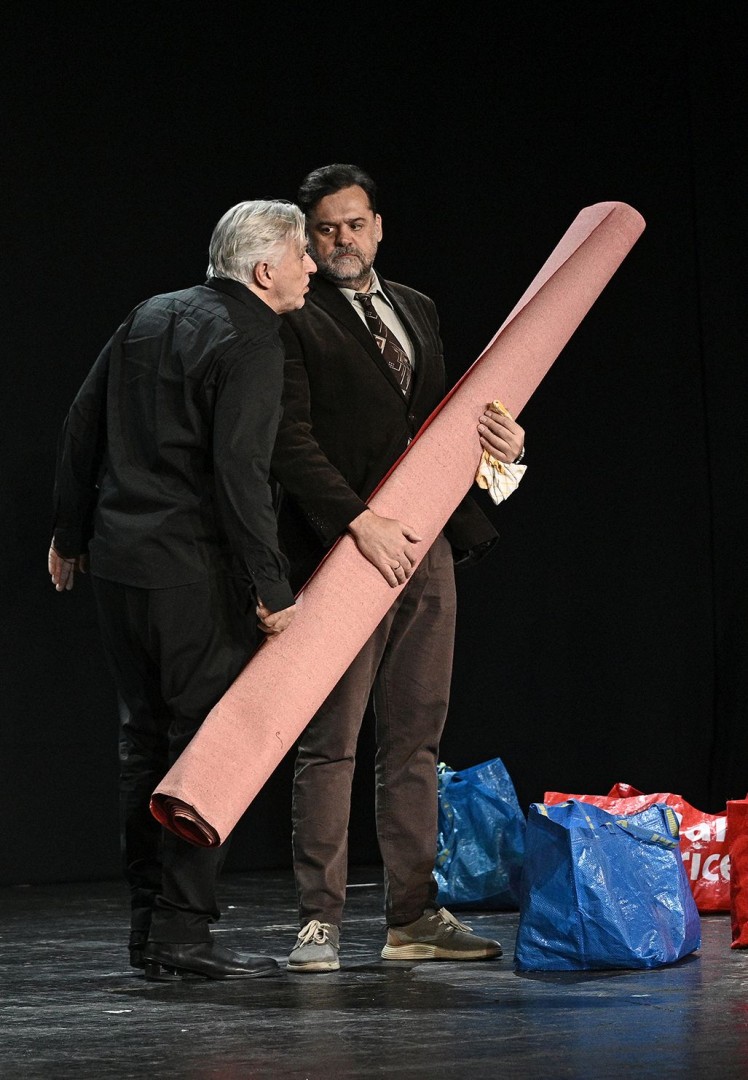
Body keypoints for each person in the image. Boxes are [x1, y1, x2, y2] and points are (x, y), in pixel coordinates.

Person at [49, 200, 316, 981]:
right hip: (190, 573)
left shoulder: (149, 314)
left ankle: (149, 929)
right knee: (206, 749)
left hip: (119, 567)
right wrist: (271, 585)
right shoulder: (254, 340)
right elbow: (241, 474)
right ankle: (181, 935)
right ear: (264, 270)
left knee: (143, 739)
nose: (309, 266)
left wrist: (69, 535)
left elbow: (80, 424)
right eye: (300, 254)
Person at [271, 165, 526, 972]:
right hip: (342, 551)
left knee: (416, 738)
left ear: (377, 226)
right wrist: (359, 522)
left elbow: (443, 423)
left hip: (427, 544)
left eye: (355, 224)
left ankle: (410, 918)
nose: (342, 240)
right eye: (326, 229)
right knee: (331, 742)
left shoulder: (416, 307)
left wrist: (503, 445)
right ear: (308, 238)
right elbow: (288, 442)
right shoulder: (294, 314)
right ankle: (318, 922)